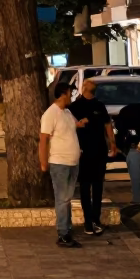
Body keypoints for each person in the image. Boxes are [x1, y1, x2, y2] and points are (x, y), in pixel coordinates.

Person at [39, 81, 89, 247]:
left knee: (67, 198)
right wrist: (43, 162)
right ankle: (63, 232)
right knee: (62, 198)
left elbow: (74, 126)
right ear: (63, 94)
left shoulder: (67, 112)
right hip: (59, 163)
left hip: (73, 162)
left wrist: (81, 123)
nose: (71, 96)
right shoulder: (50, 114)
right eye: (70, 93)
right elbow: (44, 139)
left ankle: (67, 228)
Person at [69, 77, 116, 235]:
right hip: (84, 152)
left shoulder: (99, 106)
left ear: (84, 89)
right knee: (86, 186)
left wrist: (112, 144)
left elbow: (107, 125)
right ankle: (89, 220)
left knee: (96, 186)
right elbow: (70, 127)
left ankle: (94, 219)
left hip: (98, 151)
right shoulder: (75, 107)